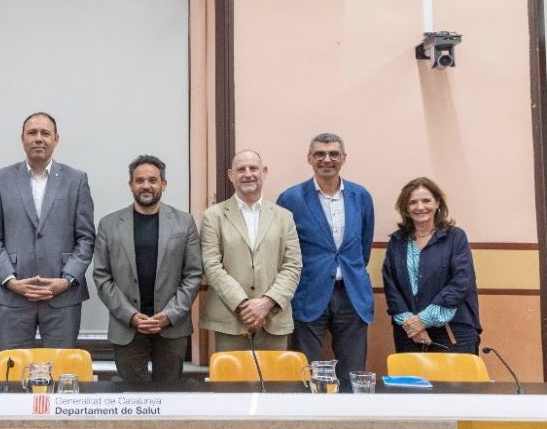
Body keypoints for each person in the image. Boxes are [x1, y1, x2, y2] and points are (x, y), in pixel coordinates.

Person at [0, 111, 96, 349]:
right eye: (32, 133)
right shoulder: (0, 179)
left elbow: (86, 238)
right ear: (22, 138)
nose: (38, 138)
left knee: (60, 367)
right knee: (13, 367)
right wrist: (10, 280)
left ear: (56, 139)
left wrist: (67, 280)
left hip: (63, 296)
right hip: (12, 295)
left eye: (45, 133)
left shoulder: (76, 180)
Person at [276, 133, 374, 390]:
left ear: (344, 158)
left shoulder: (361, 196)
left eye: (333, 154)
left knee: (352, 375)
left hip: (352, 295)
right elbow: (283, 250)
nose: (327, 160)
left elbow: (363, 248)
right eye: (320, 154)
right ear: (309, 158)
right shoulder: (291, 198)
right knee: (307, 375)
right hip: (308, 293)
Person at [92, 155, 202, 382]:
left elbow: (193, 274)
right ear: (131, 185)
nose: (146, 186)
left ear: (164, 184)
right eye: (139, 180)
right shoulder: (109, 224)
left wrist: (170, 314)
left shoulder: (184, 222)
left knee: (170, 394)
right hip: (127, 327)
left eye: (152, 180)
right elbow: (102, 276)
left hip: (172, 327)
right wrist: (130, 315)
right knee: (131, 395)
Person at [200, 150, 302, 351]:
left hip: (273, 318)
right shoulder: (213, 216)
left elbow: (292, 265)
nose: (248, 174)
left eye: (253, 168)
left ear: (264, 172)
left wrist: (266, 303)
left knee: (274, 373)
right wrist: (243, 304)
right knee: (231, 373)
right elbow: (211, 266)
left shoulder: (284, 217)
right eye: (241, 169)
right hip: (230, 319)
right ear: (231, 175)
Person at [382, 177, 482, 353]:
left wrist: (423, 320)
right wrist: (412, 324)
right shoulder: (397, 241)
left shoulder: (455, 237)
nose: (420, 207)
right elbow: (391, 287)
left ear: (437, 203)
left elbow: (462, 281)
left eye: (426, 200)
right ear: (406, 208)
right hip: (409, 333)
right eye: (413, 202)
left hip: (453, 330)